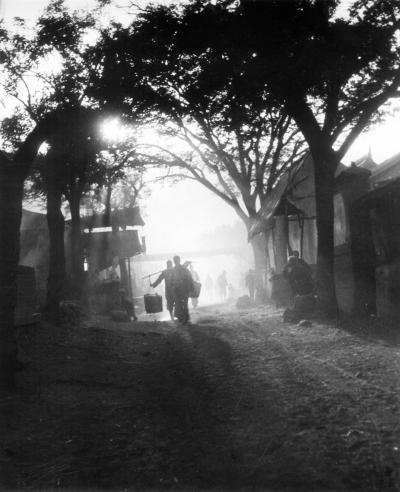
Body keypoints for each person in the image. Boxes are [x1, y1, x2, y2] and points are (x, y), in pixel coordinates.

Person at [171, 255, 194, 324]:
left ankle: (184, 318)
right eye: (175, 261)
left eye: (176, 261)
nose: (176, 262)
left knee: (181, 304)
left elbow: (189, 278)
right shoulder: (181, 269)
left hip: (181, 290)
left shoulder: (175, 269)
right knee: (182, 304)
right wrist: (191, 288)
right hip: (180, 290)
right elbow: (190, 278)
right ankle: (184, 318)